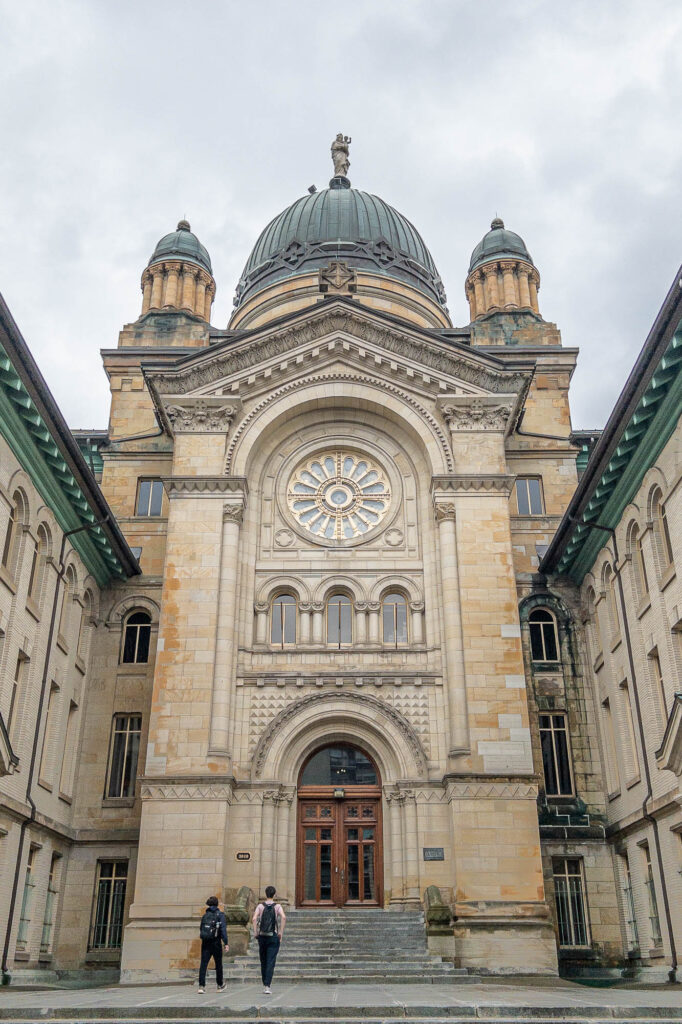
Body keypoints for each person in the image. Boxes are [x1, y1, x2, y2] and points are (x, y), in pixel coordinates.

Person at [252, 885, 286, 994]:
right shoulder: (277, 906)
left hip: (262, 936)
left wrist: (256, 932)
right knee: (271, 961)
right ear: (274, 894)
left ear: (266, 894)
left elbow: (254, 918)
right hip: (273, 936)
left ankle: (264, 982)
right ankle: (267, 985)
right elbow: (284, 917)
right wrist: (280, 932)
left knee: (263, 960)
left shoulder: (260, 906)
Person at [197, 896, 229, 994]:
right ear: (217, 904)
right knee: (218, 964)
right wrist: (226, 943)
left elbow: (201, 929)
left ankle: (201, 986)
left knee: (203, 964)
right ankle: (220, 985)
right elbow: (223, 930)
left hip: (206, 942)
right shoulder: (220, 915)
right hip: (216, 942)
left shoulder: (205, 915)